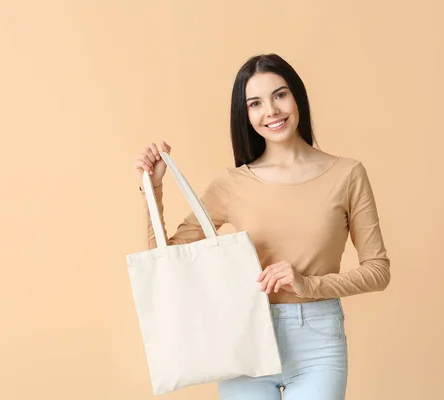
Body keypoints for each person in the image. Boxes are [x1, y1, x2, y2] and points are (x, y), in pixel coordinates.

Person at [133, 53, 391, 400]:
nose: (271, 110)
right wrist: (154, 188)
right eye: (255, 103)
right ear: (246, 115)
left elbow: (378, 270)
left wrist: (308, 284)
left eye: (280, 95)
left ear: (297, 97)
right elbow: (164, 259)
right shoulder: (232, 184)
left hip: (318, 343)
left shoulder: (347, 174)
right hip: (245, 339)